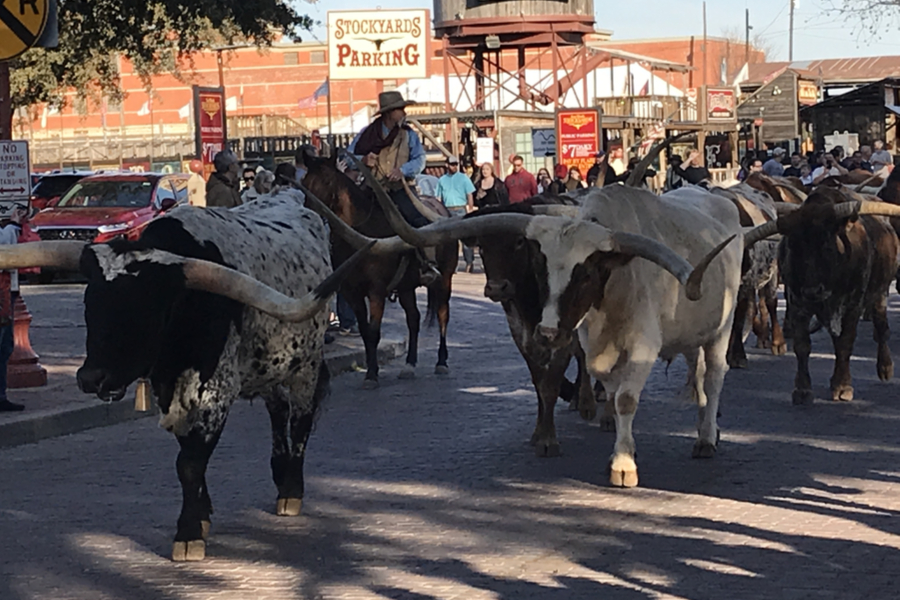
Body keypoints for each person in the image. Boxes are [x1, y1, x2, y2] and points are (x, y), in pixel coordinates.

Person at [348, 91, 439, 285]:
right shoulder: (367, 134)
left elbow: (420, 159)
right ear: (389, 113)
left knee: (418, 219)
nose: (403, 112)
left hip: (401, 189)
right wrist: (362, 160)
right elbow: (347, 157)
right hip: (373, 189)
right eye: (400, 109)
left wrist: (403, 170)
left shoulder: (409, 134)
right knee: (352, 219)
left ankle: (428, 263)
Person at [0, 206, 26, 411]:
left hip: (5, 289)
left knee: (5, 346)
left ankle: (1, 395)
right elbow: (3, 248)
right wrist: (13, 225)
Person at [436, 156, 477, 272]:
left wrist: (470, 208)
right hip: (447, 210)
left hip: (461, 208)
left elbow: (469, 194)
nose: (454, 167)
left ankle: (469, 262)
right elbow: (438, 197)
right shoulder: (442, 180)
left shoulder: (463, 178)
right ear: (447, 165)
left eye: (456, 164)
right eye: (452, 164)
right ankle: (451, 264)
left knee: (465, 238)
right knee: (449, 240)